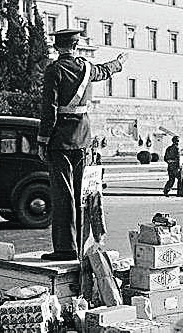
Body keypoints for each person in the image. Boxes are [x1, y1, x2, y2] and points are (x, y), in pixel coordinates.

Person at [37, 28, 128, 261]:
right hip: (83, 139)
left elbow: (50, 110)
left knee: (62, 195)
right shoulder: (87, 69)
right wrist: (118, 63)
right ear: (76, 46)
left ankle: (65, 249)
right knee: (81, 195)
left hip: (60, 142)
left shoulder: (54, 70)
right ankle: (81, 247)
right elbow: (104, 71)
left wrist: (42, 141)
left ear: (57, 48)